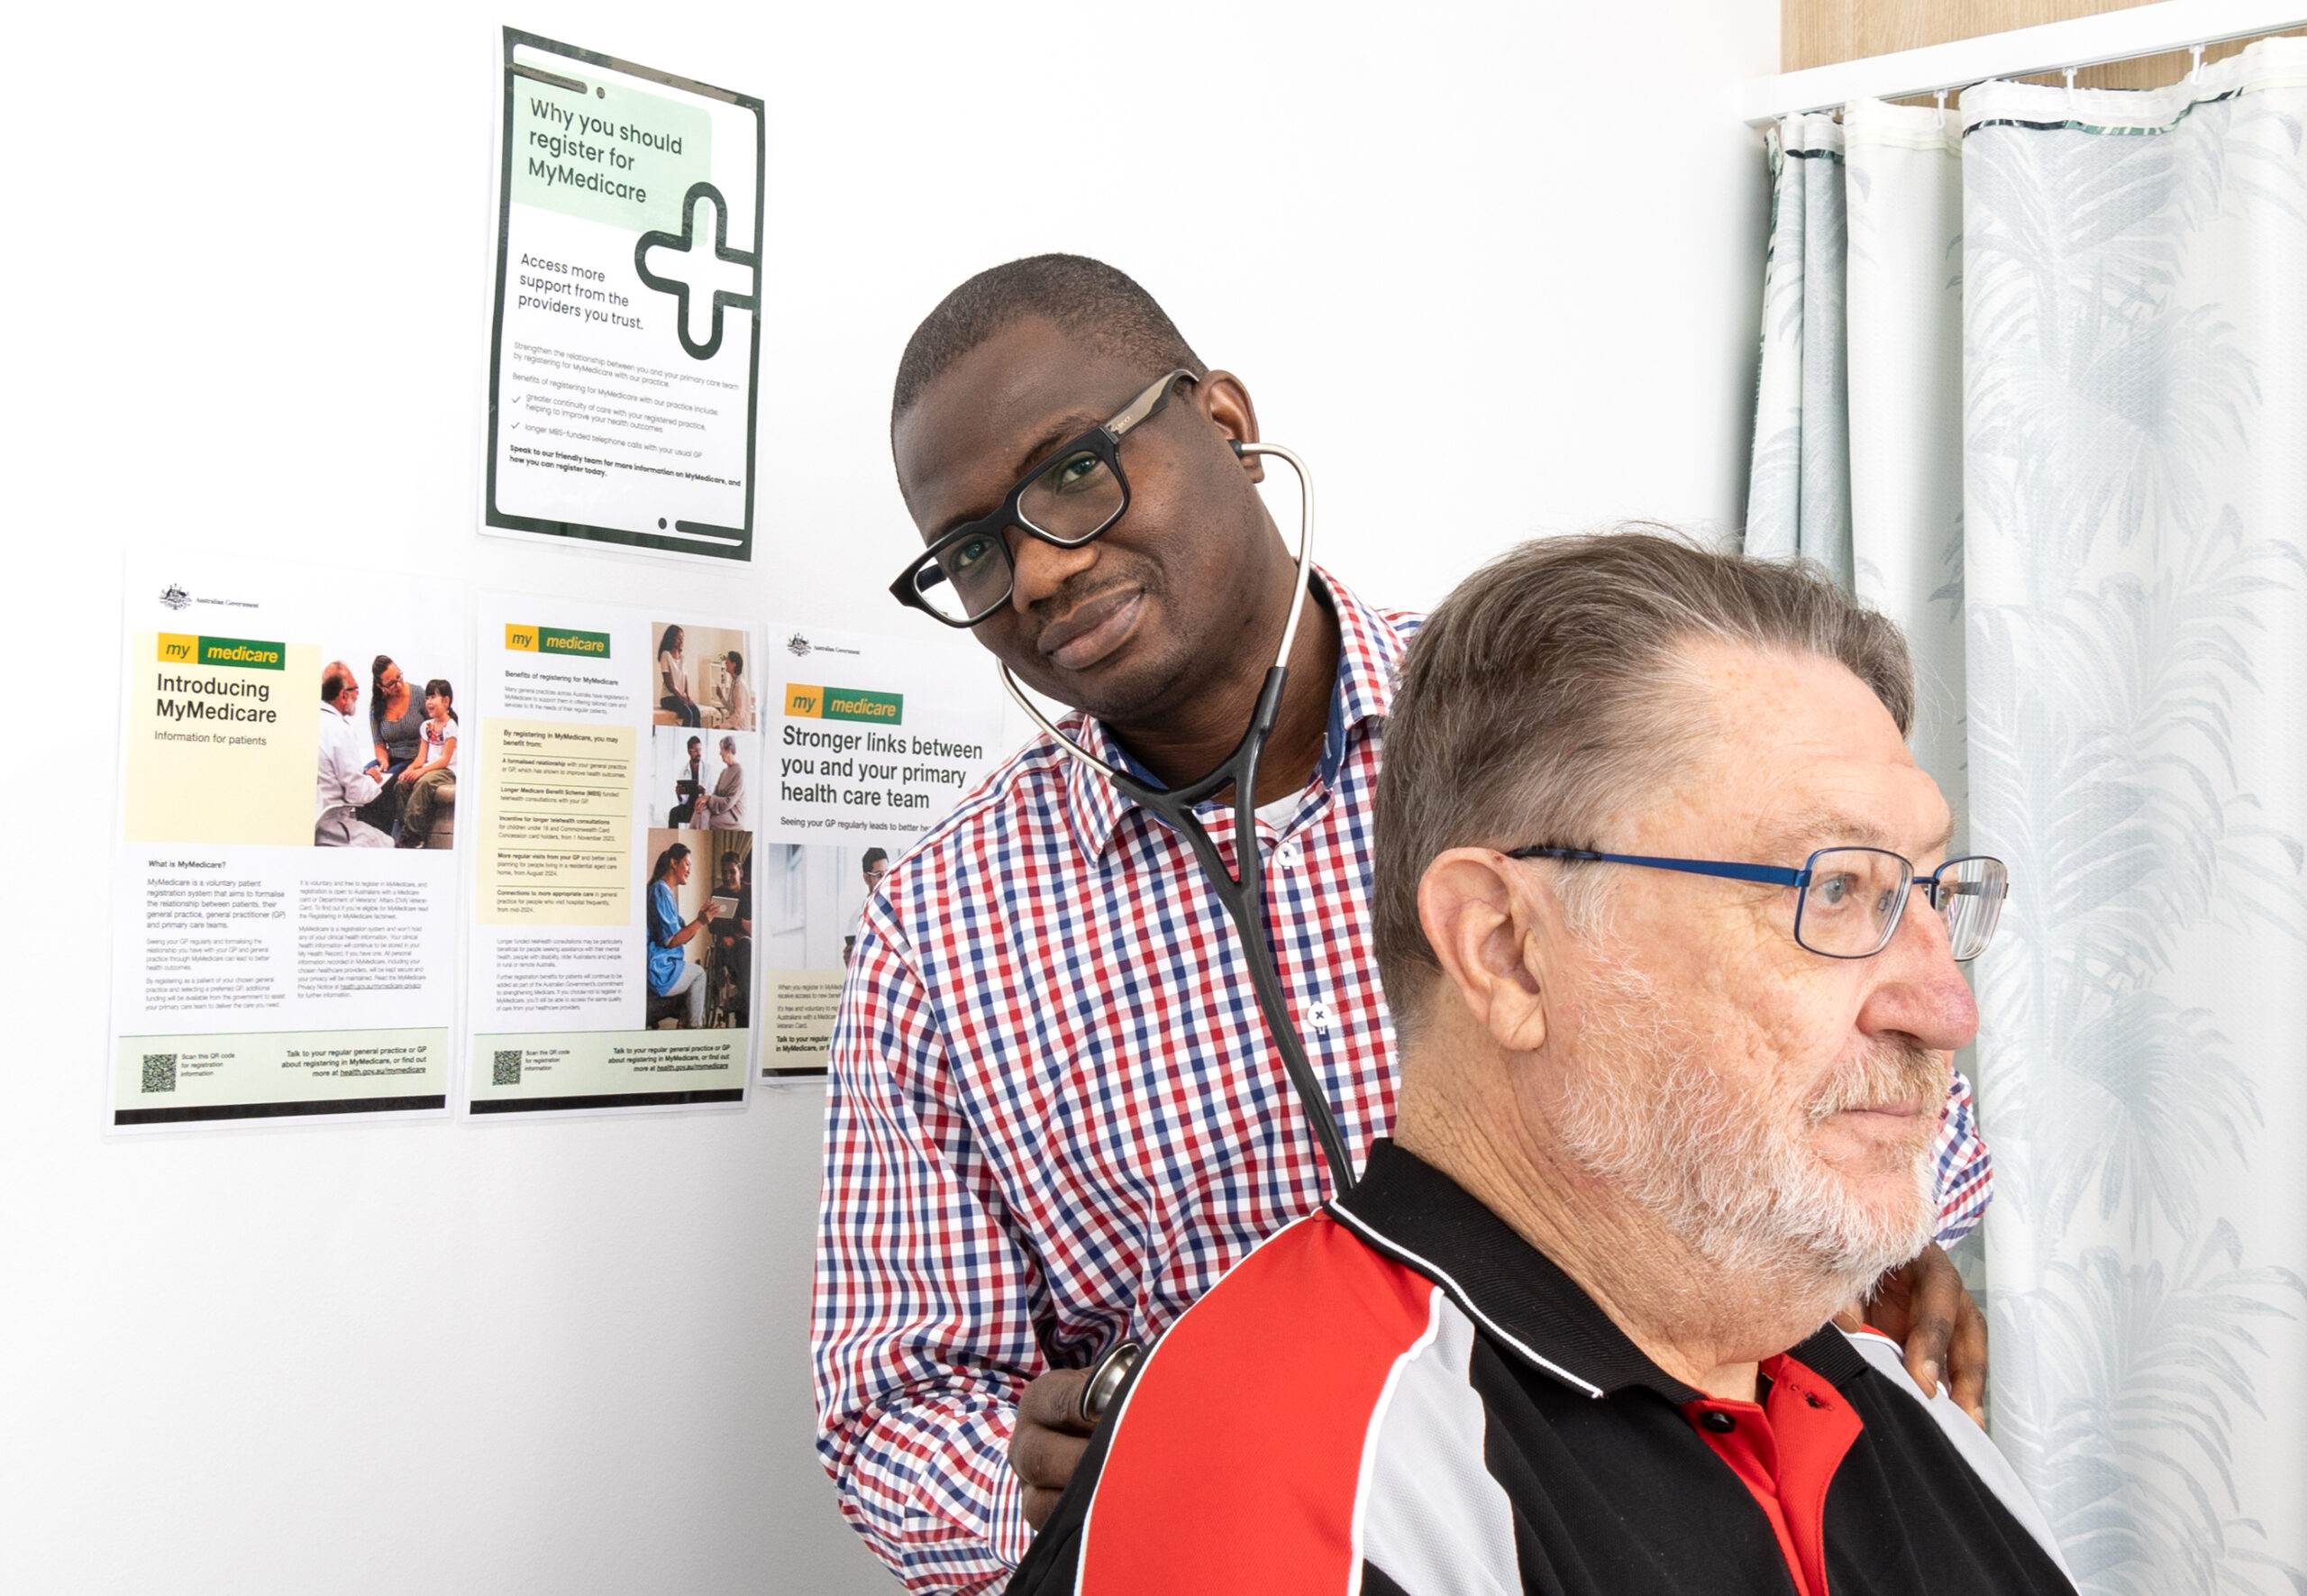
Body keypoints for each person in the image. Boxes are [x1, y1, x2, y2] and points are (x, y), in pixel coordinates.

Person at [813, 256, 1995, 1592]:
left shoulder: (1568, 729)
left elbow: (1869, 1032)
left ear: (1224, 423)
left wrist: (1898, 1245)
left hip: (1679, 1522)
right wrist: (1065, 1486)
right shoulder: (940, 927)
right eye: (969, 550)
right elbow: (890, 1403)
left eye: (1073, 472)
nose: (1034, 568)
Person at [1009, 534, 2068, 1596]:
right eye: (1833, 888)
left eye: (1927, 892)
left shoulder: (1899, 1407)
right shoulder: (1285, 1495)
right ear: (1508, 949)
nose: (1947, 1010)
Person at [315, 661, 392, 848]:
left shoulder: (314, 722)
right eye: (356, 689)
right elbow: (357, 794)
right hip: (330, 826)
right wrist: (373, 779)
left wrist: (362, 777)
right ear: (343, 695)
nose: (358, 695)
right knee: (388, 843)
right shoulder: (340, 730)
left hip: (312, 821)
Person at [646, 842, 719, 1027]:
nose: (689, 870)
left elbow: (683, 936)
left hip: (665, 964)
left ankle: (688, 1026)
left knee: (695, 975)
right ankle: (696, 1028)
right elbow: (672, 941)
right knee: (700, 974)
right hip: (659, 969)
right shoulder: (660, 890)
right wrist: (701, 921)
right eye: (687, 864)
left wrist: (699, 920)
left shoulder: (665, 893)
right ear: (674, 862)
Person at [356, 654, 424, 834]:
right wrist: (382, 760)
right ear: (381, 686)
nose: (398, 685)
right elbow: (378, 743)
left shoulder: (418, 694)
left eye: (399, 677)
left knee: (386, 785)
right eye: (391, 684)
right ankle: (365, 832)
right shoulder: (376, 706)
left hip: (416, 757)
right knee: (365, 774)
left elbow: (434, 730)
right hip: (391, 758)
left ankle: (382, 833)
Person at [395, 679, 458, 848]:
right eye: (427, 698)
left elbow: (444, 759)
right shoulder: (426, 726)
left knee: (423, 782)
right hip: (430, 768)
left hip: (446, 770)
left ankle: (411, 837)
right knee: (401, 784)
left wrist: (421, 772)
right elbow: (421, 758)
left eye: (433, 698)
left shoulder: (451, 726)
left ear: (446, 701)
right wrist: (410, 769)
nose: (429, 702)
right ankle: (412, 831)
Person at [711, 850, 753, 1027]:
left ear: (741, 872)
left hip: (746, 945)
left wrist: (734, 930)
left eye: (732, 872)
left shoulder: (751, 891)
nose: (728, 877)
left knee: (745, 945)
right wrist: (741, 923)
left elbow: (753, 926)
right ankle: (740, 1001)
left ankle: (742, 1002)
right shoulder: (718, 893)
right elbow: (713, 926)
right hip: (725, 947)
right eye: (724, 872)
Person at [843, 847, 889, 963]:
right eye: (879, 875)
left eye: (887, 873)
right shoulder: (857, 918)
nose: (885, 880)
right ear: (867, 879)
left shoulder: (898, 908)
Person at [699, 735, 745, 828]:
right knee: (700, 813)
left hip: (734, 814)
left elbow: (729, 802)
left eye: (721, 749)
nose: (720, 753)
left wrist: (708, 798)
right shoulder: (724, 772)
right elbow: (715, 794)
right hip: (722, 810)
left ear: (729, 750)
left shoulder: (739, 771)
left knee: (707, 821)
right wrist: (705, 801)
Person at [659, 625, 701, 726]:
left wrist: (687, 696)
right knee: (688, 714)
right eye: (679, 638)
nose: (682, 641)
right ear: (672, 638)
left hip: (680, 697)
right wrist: (681, 697)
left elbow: (685, 679)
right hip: (668, 698)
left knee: (697, 712)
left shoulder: (683, 657)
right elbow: (668, 683)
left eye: (682, 638)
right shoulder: (665, 655)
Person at [670, 735, 705, 827]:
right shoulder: (683, 771)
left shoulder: (708, 769)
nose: (699, 753)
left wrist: (703, 791)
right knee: (673, 813)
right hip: (689, 807)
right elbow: (684, 801)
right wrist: (679, 795)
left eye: (700, 750)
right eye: (696, 751)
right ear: (689, 752)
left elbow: (712, 792)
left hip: (703, 806)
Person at [716, 650, 753, 730]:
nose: (725, 663)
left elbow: (739, 714)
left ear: (734, 664)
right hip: (735, 726)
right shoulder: (735, 683)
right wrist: (721, 697)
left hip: (740, 728)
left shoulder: (740, 685)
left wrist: (721, 726)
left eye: (727, 660)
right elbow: (731, 708)